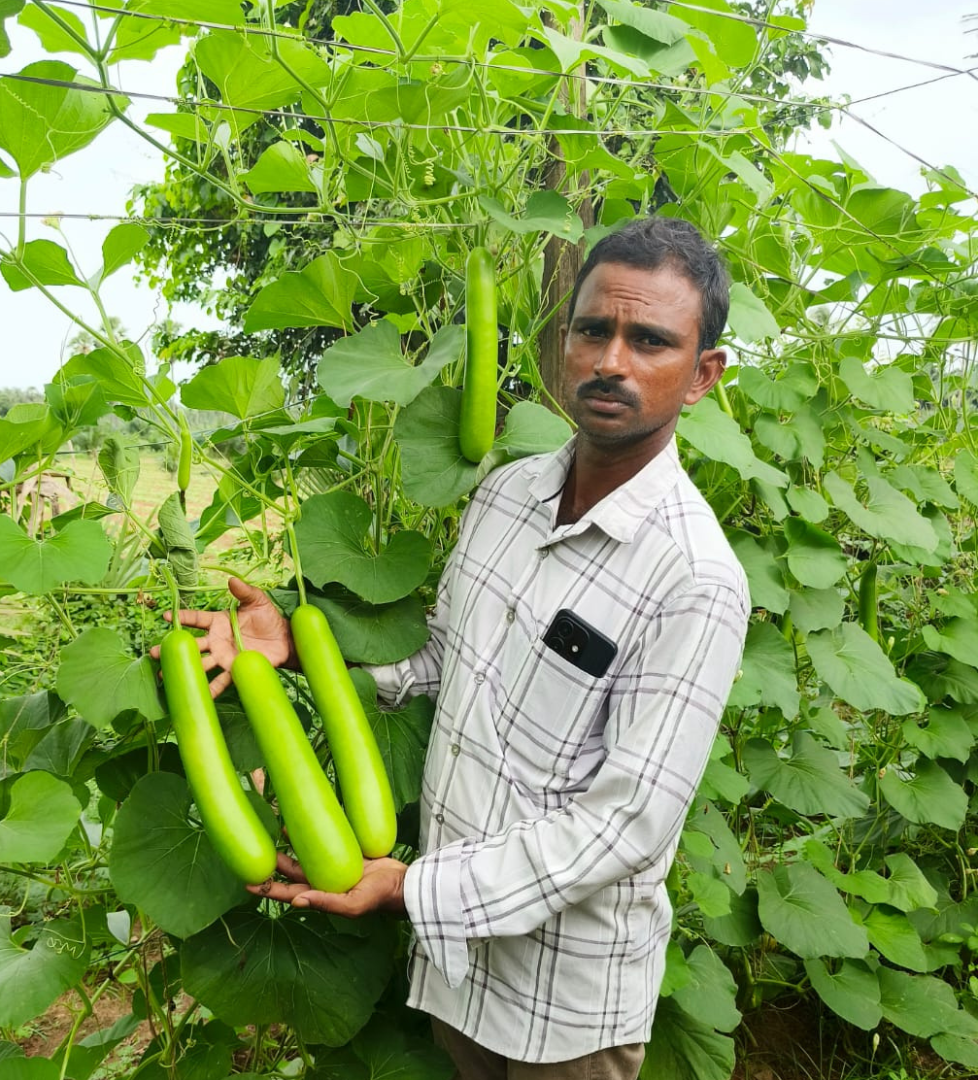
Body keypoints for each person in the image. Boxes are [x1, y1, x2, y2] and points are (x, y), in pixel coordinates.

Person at [163, 216, 750, 1080]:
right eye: (593, 329)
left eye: (649, 340)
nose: (611, 361)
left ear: (703, 375)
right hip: (456, 974)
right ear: (564, 340)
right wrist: (297, 651)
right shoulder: (508, 495)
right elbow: (446, 661)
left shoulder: (695, 576)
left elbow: (625, 824)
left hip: (566, 1008)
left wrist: (410, 888)